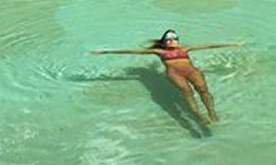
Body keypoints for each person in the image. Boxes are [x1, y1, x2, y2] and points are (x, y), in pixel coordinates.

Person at [92, 28, 240, 125]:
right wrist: (106, 52)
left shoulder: (185, 49)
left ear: (178, 40)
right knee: (187, 92)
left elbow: (208, 46)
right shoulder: (160, 52)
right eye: (168, 39)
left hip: (192, 71)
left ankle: (212, 112)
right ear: (164, 42)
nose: (171, 41)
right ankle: (199, 115)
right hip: (175, 73)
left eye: (174, 38)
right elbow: (133, 51)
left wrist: (232, 44)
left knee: (203, 90)